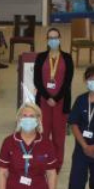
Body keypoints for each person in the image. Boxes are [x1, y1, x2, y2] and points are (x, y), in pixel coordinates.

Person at [33, 27, 74, 169]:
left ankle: (57, 164)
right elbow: (37, 80)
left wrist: (55, 98)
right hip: (43, 102)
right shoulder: (40, 57)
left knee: (59, 136)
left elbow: (68, 81)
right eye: (50, 38)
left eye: (55, 37)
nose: (53, 40)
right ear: (47, 40)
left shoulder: (67, 58)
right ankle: (42, 162)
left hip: (61, 102)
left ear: (60, 39)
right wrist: (47, 96)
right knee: (43, 135)